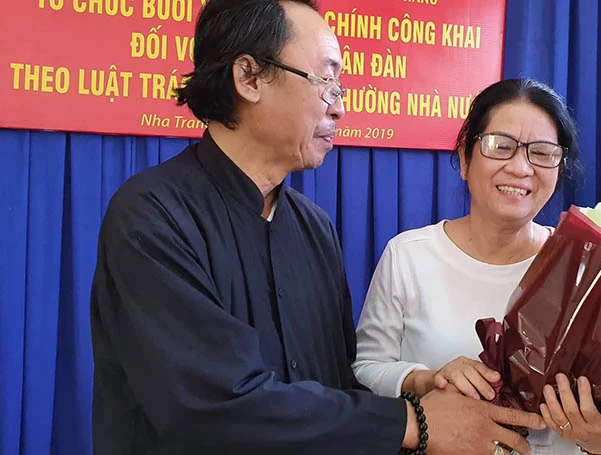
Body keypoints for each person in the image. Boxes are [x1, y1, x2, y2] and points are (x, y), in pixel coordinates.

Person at [90, 1, 547, 454]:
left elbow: (336, 390)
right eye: (325, 81)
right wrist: (416, 422)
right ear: (249, 77)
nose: (339, 107)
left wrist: (423, 385)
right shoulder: (155, 216)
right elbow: (215, 406)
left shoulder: (312, 228)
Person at [353, 79, 601, 455]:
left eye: (542, 153)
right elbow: (366, 370)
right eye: (500, 146)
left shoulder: (586, 268)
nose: (521, 168)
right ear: (465, 159)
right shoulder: (409, 256)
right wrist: (426, 379)